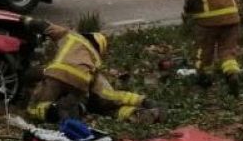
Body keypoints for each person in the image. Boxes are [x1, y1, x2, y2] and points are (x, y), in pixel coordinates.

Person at [22, 19, 151, 123]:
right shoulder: (95, 59)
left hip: (57, 75)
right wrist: (141, 100)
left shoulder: (71, 36)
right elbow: (102, 91)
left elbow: (44, 26)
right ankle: (74, 108)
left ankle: (54, 111)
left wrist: (25, 20)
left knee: (33, 108)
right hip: (80, 84)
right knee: (81, 102)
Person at [179, 0, 242, 94]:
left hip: (208, 22)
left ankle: (204, 79)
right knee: (228, 51)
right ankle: (232, 74)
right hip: (232, 19)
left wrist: (187, 16)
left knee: (205, 51)